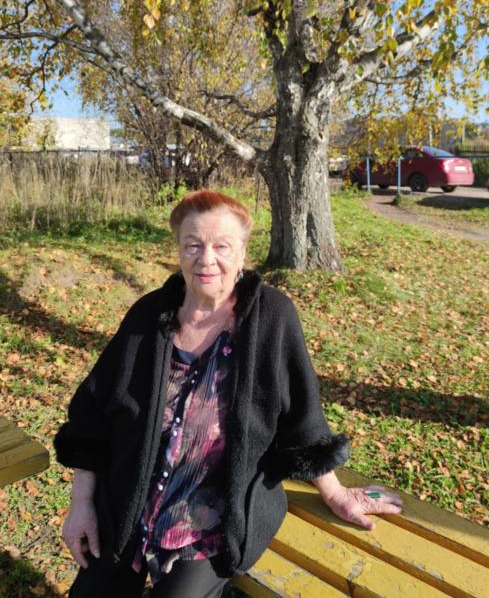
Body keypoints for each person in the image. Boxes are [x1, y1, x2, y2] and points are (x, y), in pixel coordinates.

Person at [55, 189, 402, 598]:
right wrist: (82, 505)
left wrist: (337, 493)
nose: (206, 259)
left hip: (214, 520)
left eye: (222, 246)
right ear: (178, 250)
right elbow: (92, 417)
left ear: (242, 253)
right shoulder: (149, 315)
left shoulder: (270, 317)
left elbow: (300, 418)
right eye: (193, 245)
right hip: (128, 503)